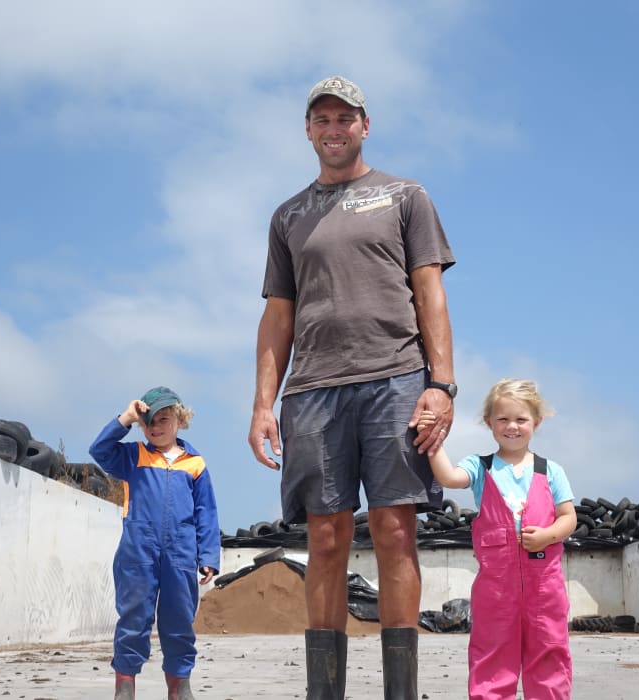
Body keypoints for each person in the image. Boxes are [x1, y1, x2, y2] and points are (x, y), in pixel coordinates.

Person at [248, 75, 457, 700]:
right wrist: (263, 403)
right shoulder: (287, 216)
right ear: (308, 131)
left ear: (365, 126)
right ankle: (325, 692)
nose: (334, 129)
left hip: (396, 378)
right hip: (311, 390)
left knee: (395, 530)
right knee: (326, 535)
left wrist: (440, 383)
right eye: (322, 120)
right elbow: (277, 314)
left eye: (346, 118)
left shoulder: (404, 196)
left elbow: (430, 292)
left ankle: (402, 691)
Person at [419, 379, 576, 699]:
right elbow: (449, 477)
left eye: (521, 419)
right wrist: (432, 439)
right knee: (491, 655)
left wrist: (548, 535)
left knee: (549, 653)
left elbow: (569, 518)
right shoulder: (480, 467)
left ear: (537, 422)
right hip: (496, 589)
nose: (512, 427)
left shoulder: (551, 471)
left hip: (545, 587)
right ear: (489, 422)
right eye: (503, 419)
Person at [90, 386, 221, 700]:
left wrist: (209, 556)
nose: (156, 426)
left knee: (179, 620)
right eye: (148, 421)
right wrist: (126, 417)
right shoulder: (133, 456)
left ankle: (179, 685)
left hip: (180, 554)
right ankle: (125, 685)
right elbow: (99, 450)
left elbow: (207, 512)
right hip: (138, 551)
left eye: (163, 419)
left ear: (179, 420)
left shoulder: (195, 464)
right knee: (134, 618)